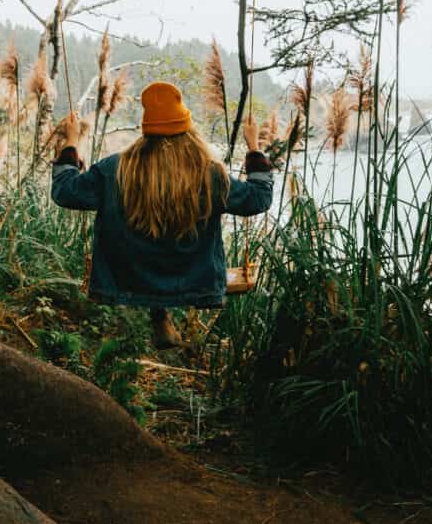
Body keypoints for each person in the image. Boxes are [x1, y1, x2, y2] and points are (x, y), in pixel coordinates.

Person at [50, 81, 273, 349]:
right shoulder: (209, 174)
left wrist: (72, 142)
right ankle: (160, 312)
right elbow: (258, 198)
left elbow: (65, 192)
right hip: (191, 278)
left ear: (146, 130)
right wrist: (254, 148)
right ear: (188, 130)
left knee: (137, 257)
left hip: (128, 277)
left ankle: (154, 314)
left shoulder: (115, 170)